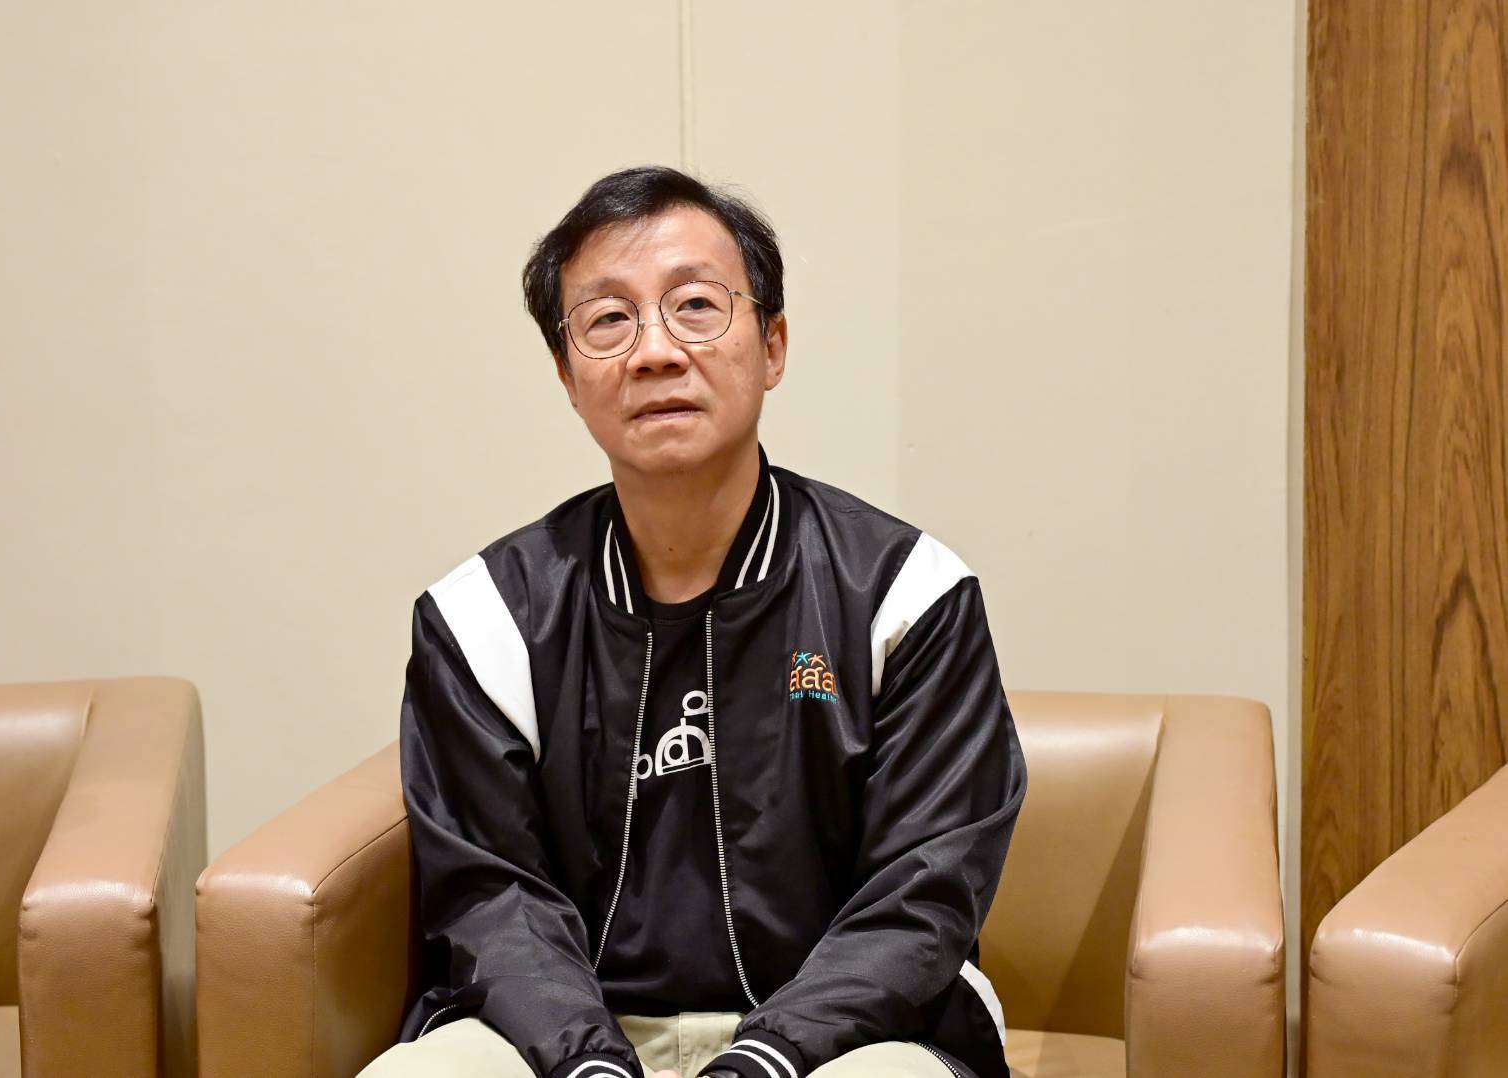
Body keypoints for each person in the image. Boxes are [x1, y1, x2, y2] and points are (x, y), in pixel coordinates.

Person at [360, 166, 1027, 1078]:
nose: (655, 352)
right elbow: (491, 900)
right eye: (608, 319)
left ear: (773, 345)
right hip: (563, 1037)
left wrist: (766, 1060)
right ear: (567, 375)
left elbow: (920, 899)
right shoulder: (484, 620)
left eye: (696, 307)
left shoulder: (907, 596)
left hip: (848, 1038)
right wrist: (587, 1064)